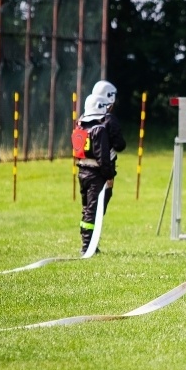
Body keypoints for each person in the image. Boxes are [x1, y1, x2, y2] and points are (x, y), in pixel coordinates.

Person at [72, 95, 115, 255]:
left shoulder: (80, 126)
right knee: (93, 210)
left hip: (82, 172)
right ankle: (87, 247)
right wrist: (109, 175)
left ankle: (88, 243)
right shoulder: (99, 130)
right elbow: (103, 157)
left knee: (86, 209)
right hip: (96, 175)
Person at [90, 80, 127, 205]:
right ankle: (89, 226)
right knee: (98, 207)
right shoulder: (108, 119)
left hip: (84, 169)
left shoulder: (84, 117)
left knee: (88, 208)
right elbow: (119, 145)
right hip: (102, 169)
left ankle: (86, 225)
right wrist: (109, 175)